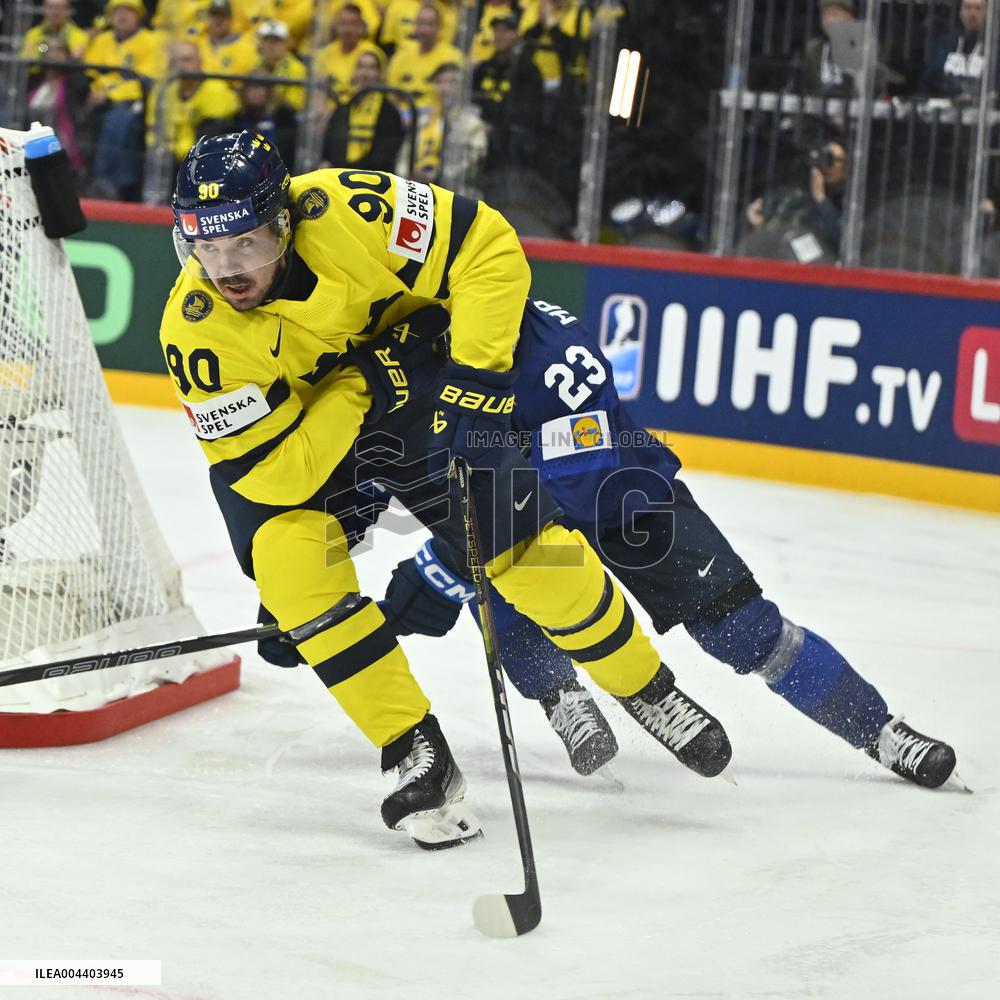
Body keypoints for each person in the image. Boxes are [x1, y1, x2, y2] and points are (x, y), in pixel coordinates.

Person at [159, 132, 733, 850]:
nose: (225, 269)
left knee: (530, 552)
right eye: (206, 247)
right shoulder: (196, 334)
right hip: (305, 435)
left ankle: (646, 687)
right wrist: (362, 383)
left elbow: (487, 247)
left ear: (285, 222)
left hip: (418, 392)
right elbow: (281, 475)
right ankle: (414, 748)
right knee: (292, 568)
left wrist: (476, 381)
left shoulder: (351, 210)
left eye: (245, 242)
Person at [372, 300, 962, 792]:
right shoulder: (422, 345)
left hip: (625, 498)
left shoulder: (554, 352)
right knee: (507, 577)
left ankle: (880, 732)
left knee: (747, 631)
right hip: (528, 511)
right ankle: (561, 697)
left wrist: (445, 562)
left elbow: (578, 480)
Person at [83, 0, 162, 199]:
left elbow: (145, 80)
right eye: (117, 11)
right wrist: (96, 91)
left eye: (128, 11)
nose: (122, 16)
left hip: (133, 99)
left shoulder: (150, 41)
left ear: (139, 16)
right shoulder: (102, 40)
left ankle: (111, 183)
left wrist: (110, 94)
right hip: (99, 98)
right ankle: (78, 173)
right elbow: (91, 73)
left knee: (120, 120)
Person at [744, 138, 847, 261]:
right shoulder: (796, 193)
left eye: (835, 160)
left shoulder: (849, 200)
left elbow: (844, 239)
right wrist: (759, 221)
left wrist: (821, 199)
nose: (829, 165)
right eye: (826, 158)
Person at [148, 39, 239, 167]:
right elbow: (153, 129)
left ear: (200, 61)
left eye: (187, 60)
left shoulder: (215, 90)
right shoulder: (164, 90)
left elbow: (209, 140)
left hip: (204, 162)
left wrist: (174, 150)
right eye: (176, 61)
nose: (181, 65)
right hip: (166, 158)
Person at [473, 12, 544, 172]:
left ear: (517, 34)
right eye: (497, 31)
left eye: (505, 31)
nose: (499, 36)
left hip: (508, 133)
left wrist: (494, 126)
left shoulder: (528, 70)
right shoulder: (484, 68)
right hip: (480, 126)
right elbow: (471, 97)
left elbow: (526, 113)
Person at [320, 49, 405, 172]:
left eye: (371, 68)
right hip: (339, 173)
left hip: (373, 175)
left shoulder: (389, 112)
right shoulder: (344, 106)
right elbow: (332, 141)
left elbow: (384, 155)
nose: (365, 73)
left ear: (380, 74)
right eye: (361, 67)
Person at [403, 62, 487, 185]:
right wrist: (406, 176)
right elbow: (405, 155)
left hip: (454, 189)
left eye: (452, 82)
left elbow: (473, 162)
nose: (444, 88)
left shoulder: (472, 124)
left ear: (462, 87)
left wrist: (438, 175)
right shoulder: (422, 121)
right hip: (415, 187)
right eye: (439, 82)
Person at [385, 2, 462, 116]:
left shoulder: (452, 57)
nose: (424, 30)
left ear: (439, 27)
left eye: (430, 24)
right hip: (403, 117)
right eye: (421, 24)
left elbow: (454, 97)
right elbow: (392, 97)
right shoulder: (400, 57)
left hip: (436, 117)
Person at [314, 2, 385, 104]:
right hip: (329, 111)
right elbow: (317, 92)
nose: (347, 30)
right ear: (335, 26)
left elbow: (378, 94)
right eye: (343, 24)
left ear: (361, 27)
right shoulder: (323, 55)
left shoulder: (372, 54)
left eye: (352, 24)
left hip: (361, 109)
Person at [920, 0, 986, 100]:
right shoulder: (946, 43)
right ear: (961, 13)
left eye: (978, 8)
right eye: (968, 8)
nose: (972, 14)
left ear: (988, 13)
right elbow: (928, 80)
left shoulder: (994, 48)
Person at [252, 18, 307, 112]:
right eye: (266, 40)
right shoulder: (254, 64)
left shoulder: (296, 69)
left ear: (286, 44)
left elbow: (295, 106)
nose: (270, 46)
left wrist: (271, 91)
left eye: (276, 41)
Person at [197, 0, 259, 82]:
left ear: (231, 19)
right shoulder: (197, 44)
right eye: (214, 16)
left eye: (223, 17)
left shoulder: (245, 47)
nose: (218, 21)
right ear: (208, 18)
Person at [19, 0, 90, 65]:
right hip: (38, 73)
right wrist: (43, 51)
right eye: (50, 7)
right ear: (43, 9)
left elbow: (81, 65)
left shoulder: (81, 36)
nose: (55, 12)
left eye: (59, 8)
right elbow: (25, 61)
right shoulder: (33, 34)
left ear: (68, 11)